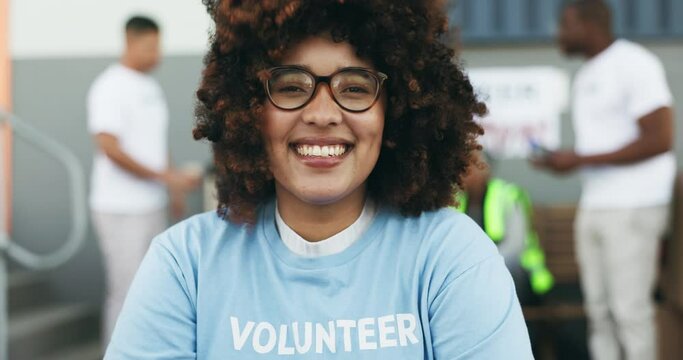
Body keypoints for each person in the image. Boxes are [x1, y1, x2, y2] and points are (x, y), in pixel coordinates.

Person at [105, 1, 533, 358]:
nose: (323, 114)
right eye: (291, 87)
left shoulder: (450, 256)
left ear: (396, 111)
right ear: (249, 110)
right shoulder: (185, 265)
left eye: (355, 88)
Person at [534, 1, 675, 359]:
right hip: (596, 203)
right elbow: (601, 147)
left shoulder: (634, 63)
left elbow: (660, 138)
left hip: (634, 205)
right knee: (598, 312)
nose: (558, 34)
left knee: (629, 312)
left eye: (565, 24)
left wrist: (579, 159)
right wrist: (566, 161)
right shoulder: (584, 76)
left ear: (589, 24)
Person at [87, 15, 200, 344]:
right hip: (119, 208)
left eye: (159, 45)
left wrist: (173, 186)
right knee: (126, 290)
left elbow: (155, 144)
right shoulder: (110, 86)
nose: (158, 54)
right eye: (150, 46)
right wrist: (165, 177)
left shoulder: (150, 86)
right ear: (130, 42)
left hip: (151, 205)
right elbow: (109, 147)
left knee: (153, 287)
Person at [456, 152, 554, 303]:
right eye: (462, 168)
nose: (465, 174)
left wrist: (483, 266)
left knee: (502, 273)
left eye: (471, 167)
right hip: (473, 274)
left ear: (485, 169)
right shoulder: (456, 201)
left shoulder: (507, 195)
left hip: (517, 270)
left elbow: (515, 246)